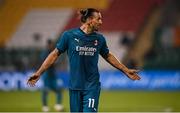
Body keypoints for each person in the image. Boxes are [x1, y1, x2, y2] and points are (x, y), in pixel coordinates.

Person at [27, 8, 141, 112]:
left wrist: (125, 70)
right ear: (90, 20)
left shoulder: (99, 39)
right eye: (99, 19)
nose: (101, 22)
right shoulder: (69, 36)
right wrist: (39, 73)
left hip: (92, 86)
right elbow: (54, 55)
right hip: (75, 87)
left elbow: (108, 55)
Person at [40, 39, 64, 112]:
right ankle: (45, 106)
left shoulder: (52, 52)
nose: (52, 45)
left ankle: (58, 105)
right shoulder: (44, 53)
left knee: (59, 90)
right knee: (45, 91)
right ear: (48, 45)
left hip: (53, 76)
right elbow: (46, 63)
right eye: (51, 44)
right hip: (47, 75)